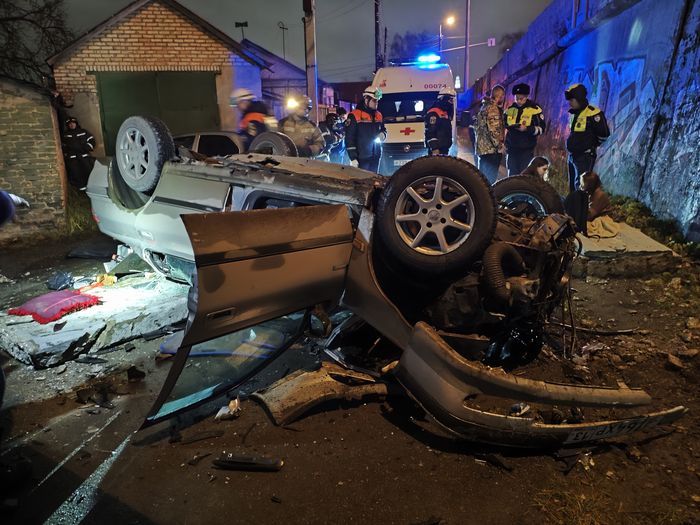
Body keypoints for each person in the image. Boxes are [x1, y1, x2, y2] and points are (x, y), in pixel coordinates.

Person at [565, 83, 610, 193]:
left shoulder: (593, 114)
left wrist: (590, 145)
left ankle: (580, 204)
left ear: (579, 99)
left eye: (572, 100)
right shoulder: (574, 113)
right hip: (572, 156)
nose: (569, 102)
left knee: (581, 187)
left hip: (584, 157)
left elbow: (604, 134)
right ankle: (572, 203)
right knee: (572, 186)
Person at [504, 83, 546, 176]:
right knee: (511, 177)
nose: (518, 100)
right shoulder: (509, 110)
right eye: (516, 98)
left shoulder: (535, 110)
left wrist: (527, 129)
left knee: (524, 176)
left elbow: (541, 129)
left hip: (526, 151)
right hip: (511, 150)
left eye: (521, 98)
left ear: (526, 96)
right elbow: (504, 125)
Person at [345, 86, 386, 172]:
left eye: (377, 101)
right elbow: (349, 138)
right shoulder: (354, 115)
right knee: (363, 180)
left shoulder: (378, 115)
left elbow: (383, 129)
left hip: (376, 155)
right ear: (366, 100)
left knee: (375, 179)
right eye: (374, 101)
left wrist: (383, 134)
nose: (376, 103)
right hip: (361, 158)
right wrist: (353, 158)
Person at [475, 84, 506, 184]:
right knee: (490, 181)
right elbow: (494, 129)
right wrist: (499, 145)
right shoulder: (493, 109)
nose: (503, 98)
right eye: (503, 96)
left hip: (483, 149)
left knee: (482, 180)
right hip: (491, 150)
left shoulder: (484, 107)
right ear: (499, 96)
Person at [62, 117, 95, 189]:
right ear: (68, 125)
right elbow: (63, 146)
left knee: (88, 171)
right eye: (70, 124)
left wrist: (86, 147)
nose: (72, 125)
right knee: (76, 173)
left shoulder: (83, 132)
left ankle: (91, 187)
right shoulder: (65, 135)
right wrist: (68, 151)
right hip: (73, 158)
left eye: (73, 123)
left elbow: (92, 141)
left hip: (84, 157)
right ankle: (81, 188)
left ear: (76, 124)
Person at [425, 87, 456, 155]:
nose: (451, 103)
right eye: (450, 100)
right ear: (443, 99)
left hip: (444, 149)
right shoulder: (433, 113)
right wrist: (434, 148)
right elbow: (430, 132)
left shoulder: (444, 113)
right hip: (436, 151)